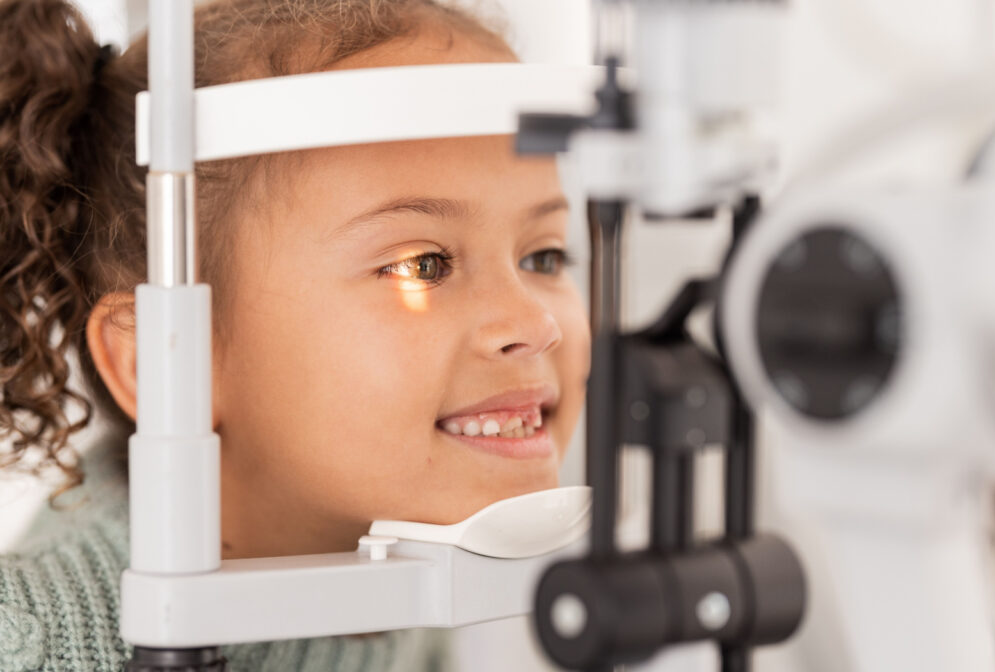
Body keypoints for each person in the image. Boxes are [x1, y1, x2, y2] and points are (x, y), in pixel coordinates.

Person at [0, 0, 591, 669]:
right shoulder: (31, 640)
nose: (536, 326)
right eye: (423, 265)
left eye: (544, 257)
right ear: (168, 364)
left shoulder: (413, 603)